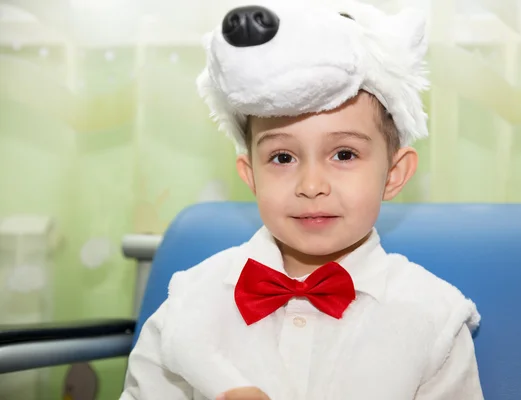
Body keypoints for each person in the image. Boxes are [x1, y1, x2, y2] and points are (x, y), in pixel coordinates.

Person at [120, 1, 483, 399]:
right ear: (251, 176)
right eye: (283, 157)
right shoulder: (189, 303)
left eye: (344, 154)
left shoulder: (435, 318)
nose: (311, 185)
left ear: (393, 175)